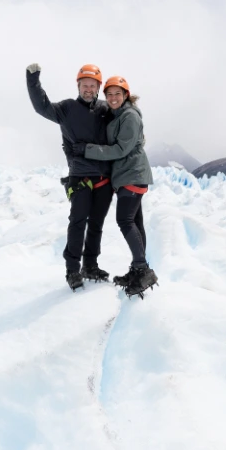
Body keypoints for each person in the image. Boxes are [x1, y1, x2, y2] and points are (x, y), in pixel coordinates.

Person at [26, 63, 114, 291]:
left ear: (98, 87)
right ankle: (73, 270)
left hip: (104, 179)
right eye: (84, 85)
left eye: (92, 85)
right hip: (80, 178)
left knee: (96, 224)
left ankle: (91, 266)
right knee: (77, 223)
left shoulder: (106, 110)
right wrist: (33, 79)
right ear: (78, 85)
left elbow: (124, 120)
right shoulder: (66, 109)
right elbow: (41, 106)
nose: (88, 89)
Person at [71, 75, 158, 298]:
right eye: (109, 94)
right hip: (129, 174)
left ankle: (142, 269)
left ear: (126, 95)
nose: (112, 98)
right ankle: (138, 269)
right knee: (136, 222)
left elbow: (120, 150)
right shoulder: (120, 114)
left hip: (132, 174)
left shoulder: (128, 116)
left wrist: (86, 149)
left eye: (117, 94)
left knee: (125, 220)